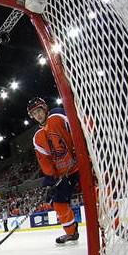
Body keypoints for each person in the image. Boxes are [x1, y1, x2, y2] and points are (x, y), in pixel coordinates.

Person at [27, 97, 80, 244]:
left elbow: (77, 128)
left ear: (45, 108)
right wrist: (50, 178)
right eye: (34, 113)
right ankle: (71, 232)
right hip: (64, 174)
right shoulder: (37, 138)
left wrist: (80, 149)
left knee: (95, 192)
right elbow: (45, 160)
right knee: (58, 203)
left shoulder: (58, 117)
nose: (37, 115)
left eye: (39, 111)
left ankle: (116, 224)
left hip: (80, 166)